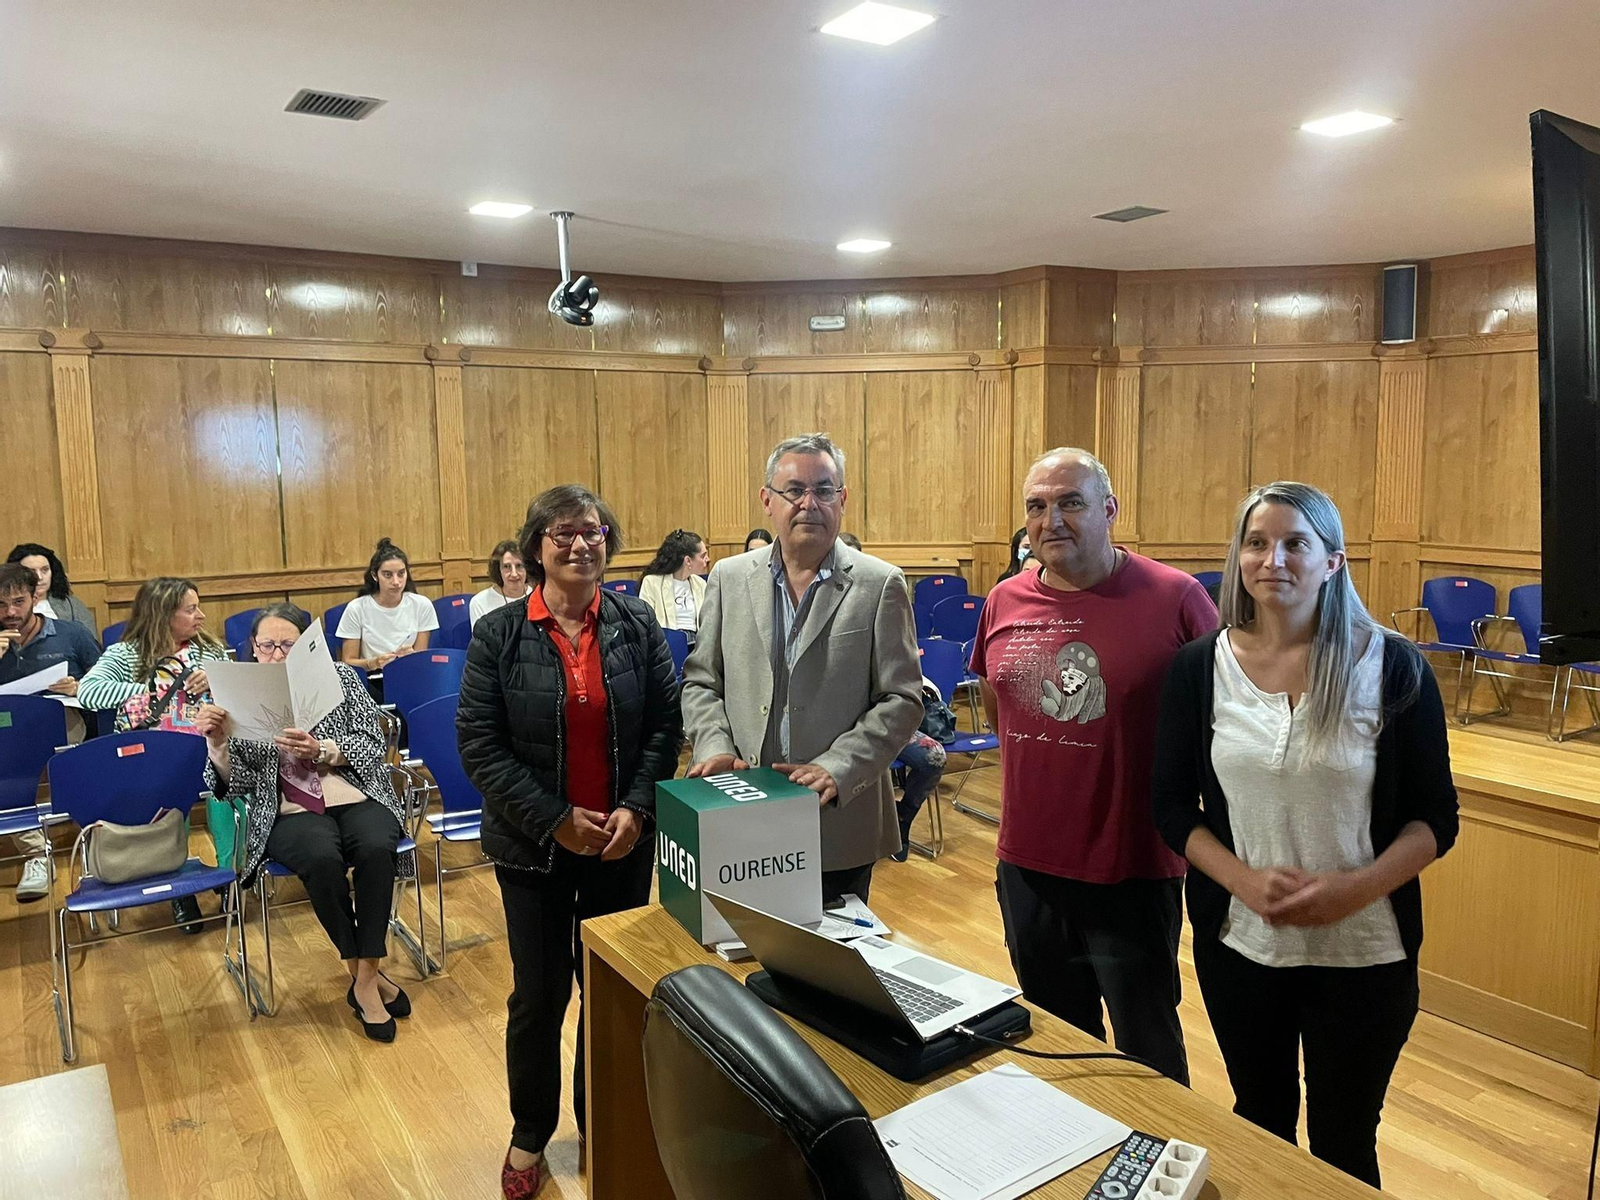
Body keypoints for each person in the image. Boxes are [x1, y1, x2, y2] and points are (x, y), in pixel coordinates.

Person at [1151, 482, 1458, 1187]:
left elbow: (1435, 819)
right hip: (1243, 947)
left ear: (1333, 561)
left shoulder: (1395, 665)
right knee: (1259, 1119)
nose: (1273, 558)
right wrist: (1242, 881)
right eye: (1257, 542)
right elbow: (1171, 807)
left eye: (1296, 543)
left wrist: (1356, 889)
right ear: (1238, 558)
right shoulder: (1199, 668)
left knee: (1345, 1140)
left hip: (1365, 954)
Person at [456, 484, 681, 1199]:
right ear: (536, 547)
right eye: (563, 533)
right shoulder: (499, 633)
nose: (581, 544)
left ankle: (600, 1119)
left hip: (621, 843)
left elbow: (663, 729)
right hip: (534, 848)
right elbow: (479, 745)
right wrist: (553, 816)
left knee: (611, 993)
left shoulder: (636, 621)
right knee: (540, 994)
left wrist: (637, 810)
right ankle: (529, 1134)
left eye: (592, 532)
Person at [968, 447, 1214, 1085]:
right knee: (1059, 1045)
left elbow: (1220, 717)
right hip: (1027, 867)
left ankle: (1161, 1172)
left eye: (1071, 502)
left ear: (1110, 509)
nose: (1052, 520)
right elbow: (1001, 707)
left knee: (1147, 1051)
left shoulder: (1176, 598)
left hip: (1131, 870)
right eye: (1037, 506)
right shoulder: (1003, 601)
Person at [683, 433, 922, 903]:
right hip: (742, 810)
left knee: (830, 968)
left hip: (835, 817)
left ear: (843, 499)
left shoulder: (880, 584)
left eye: (824, 490)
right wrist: (713, 744)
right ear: (767, 500)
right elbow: (702, 681)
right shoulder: (729, 579)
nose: (809, 503)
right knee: (742, 960)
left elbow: (902, 698)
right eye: (794, 490)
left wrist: (840, 766)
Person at [195, 604, 412, 1042]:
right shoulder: (233, 698)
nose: (277, 654)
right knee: (320, 858)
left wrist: (324, 749)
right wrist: (217, 745)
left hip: (353, 793)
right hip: (285, 808)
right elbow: (231, 785)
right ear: (253, 649)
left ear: (307, 649)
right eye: (267, 645)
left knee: (374, 847)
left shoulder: (343, 679)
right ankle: (368, 980)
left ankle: (363, 981)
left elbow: (373, 744)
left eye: (288, 645)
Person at [78, 577, 227, 931]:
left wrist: (216, 678)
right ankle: (178, 888)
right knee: (168, 793)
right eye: (191, 609)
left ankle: (227, 876)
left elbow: (236, 690)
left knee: (227, 787)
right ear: (163, 615)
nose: (201, 616)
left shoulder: (208, 650)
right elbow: (89, 692)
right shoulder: (126, 654)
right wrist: (154, 686)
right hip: (152, 754)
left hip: (207, 744)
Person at [0, 562, 101, 900]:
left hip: (61, 725)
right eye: (1, 604)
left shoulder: (71, 634)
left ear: (35, 596)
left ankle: (99, 850)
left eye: (18, 601)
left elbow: (107, 682)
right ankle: (37, 854)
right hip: (7, 733)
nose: (10, 612)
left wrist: (80, 686)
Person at [337, 538, 438, 671]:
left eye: (401, 574)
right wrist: (372, 663)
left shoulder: (422, 605)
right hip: (372, 678)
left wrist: (411, 656)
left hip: (409, 673)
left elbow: (420, 658)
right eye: (388, 575)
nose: (396, 582)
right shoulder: (356, 608)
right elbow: (348, 661)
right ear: (375, 575)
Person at [7, 543, 98, 642]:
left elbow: (91, 645)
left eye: (44, 570)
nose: (39, 577)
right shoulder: (6, 608)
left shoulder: (73, 605)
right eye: (31, 571)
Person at [638, 529, 709, 644]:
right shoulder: (652, 582)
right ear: (688, 561)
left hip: (697, 643)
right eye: (703, 556)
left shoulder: (700, 584)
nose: (707, 559)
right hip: (668, 642)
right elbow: (645, 623)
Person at [471, 540, 532, 627]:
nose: (514, 574)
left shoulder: (538, 596)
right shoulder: (480, 602)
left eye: (519, 566)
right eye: (507, 566)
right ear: (498, 570)